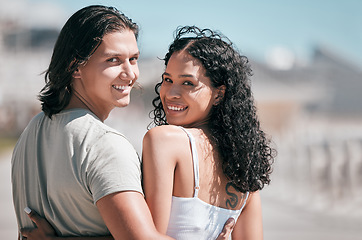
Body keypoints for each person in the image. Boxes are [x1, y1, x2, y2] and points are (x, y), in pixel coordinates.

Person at [12, 5, 234, 240]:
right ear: (75, 66)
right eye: (114, 60)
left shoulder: (32, 130)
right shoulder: (104, 145)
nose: (130, 73)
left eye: (134, 59)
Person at [142, 26, 275, 239]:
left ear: (219, 94)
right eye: (168, 80)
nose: (171, 93)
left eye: (188, 83)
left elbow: (148, 236)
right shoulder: (244, 163)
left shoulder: (165, 140)